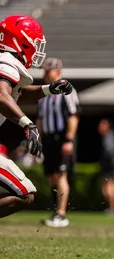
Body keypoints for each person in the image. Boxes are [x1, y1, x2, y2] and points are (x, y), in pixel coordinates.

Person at [0, 14, 73, 219]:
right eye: (35, 42)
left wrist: (49, 89)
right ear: (20, 40)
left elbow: (15, 95)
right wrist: (28, 124)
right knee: (24, 194)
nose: (37, 48)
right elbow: (2, 96)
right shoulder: (6, 61)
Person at [37, 57, 80, 227]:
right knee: (52, 176)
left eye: (50, 70)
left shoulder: (66, 91)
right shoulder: (43, 93)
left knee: (61, 174)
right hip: (48, 138)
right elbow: (40, 118)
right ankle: (56, 210)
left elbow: (73, 116)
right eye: (45, 71)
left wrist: (69, 139)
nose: (47, 74)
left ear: (59, 71)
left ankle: (61, 213)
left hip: (62, 137)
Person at [98, 118, 114, 215]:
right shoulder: (109, 136)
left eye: (102, 125)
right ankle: (111, 207)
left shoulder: (109, 137)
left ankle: (113, 208)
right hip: (108, 165)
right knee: (106, 187)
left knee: (110, 186)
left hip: (109, 166)